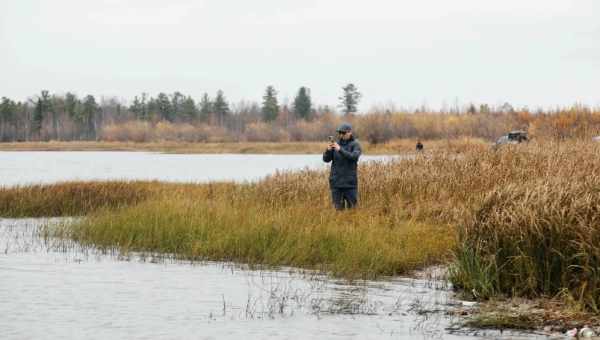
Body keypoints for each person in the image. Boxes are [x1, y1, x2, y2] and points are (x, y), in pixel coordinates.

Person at [323, 123, 362, 210]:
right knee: (338, 211)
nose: (341, 135)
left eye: (343, 133)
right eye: (340, 133)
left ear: (350, 133)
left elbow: (353, 157)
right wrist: (328, 150)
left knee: (353, 210)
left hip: (350, 184)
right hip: (336, 183)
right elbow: (326, 159)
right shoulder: (335, 145)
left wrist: (340, 150)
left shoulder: (355, 145)